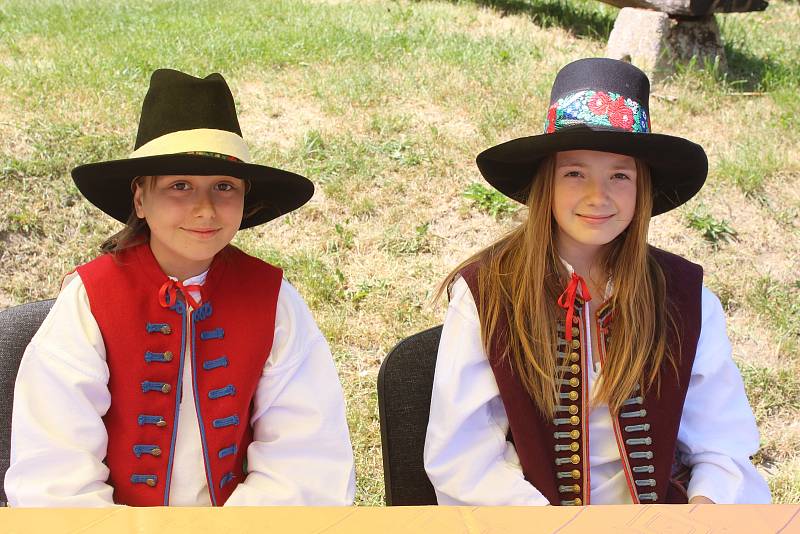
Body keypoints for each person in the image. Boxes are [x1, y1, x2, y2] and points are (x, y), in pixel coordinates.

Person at [424, 58, 771, 506]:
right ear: (545, 182)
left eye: (619, 175)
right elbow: (464, 458)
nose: (597, 195)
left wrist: (703, 512)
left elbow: (723, 444)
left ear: (642, 188)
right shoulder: (487, 292)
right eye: (575, 172)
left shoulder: (685, 297)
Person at [5, 69, 355, 507]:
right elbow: (56, 469)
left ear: (245, 199)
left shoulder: (273, 299)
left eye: (223, 187)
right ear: (139, 198)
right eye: (179, 186)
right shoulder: (90, 299)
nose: (204, 208)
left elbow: (305, 454)